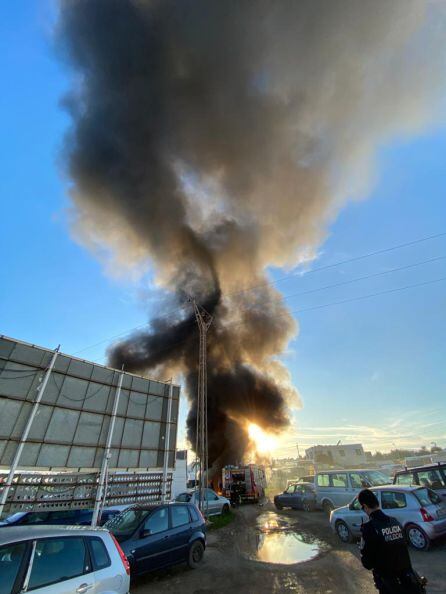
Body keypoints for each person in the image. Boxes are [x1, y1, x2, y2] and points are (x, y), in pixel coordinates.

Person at [358, 489, 427, 593]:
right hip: (410, 583)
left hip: (390, 586)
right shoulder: (395, 522)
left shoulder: (369, 528)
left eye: (363, 508)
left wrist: (362, 549)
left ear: (365, 506)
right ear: (377, 503)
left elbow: (367, 563)